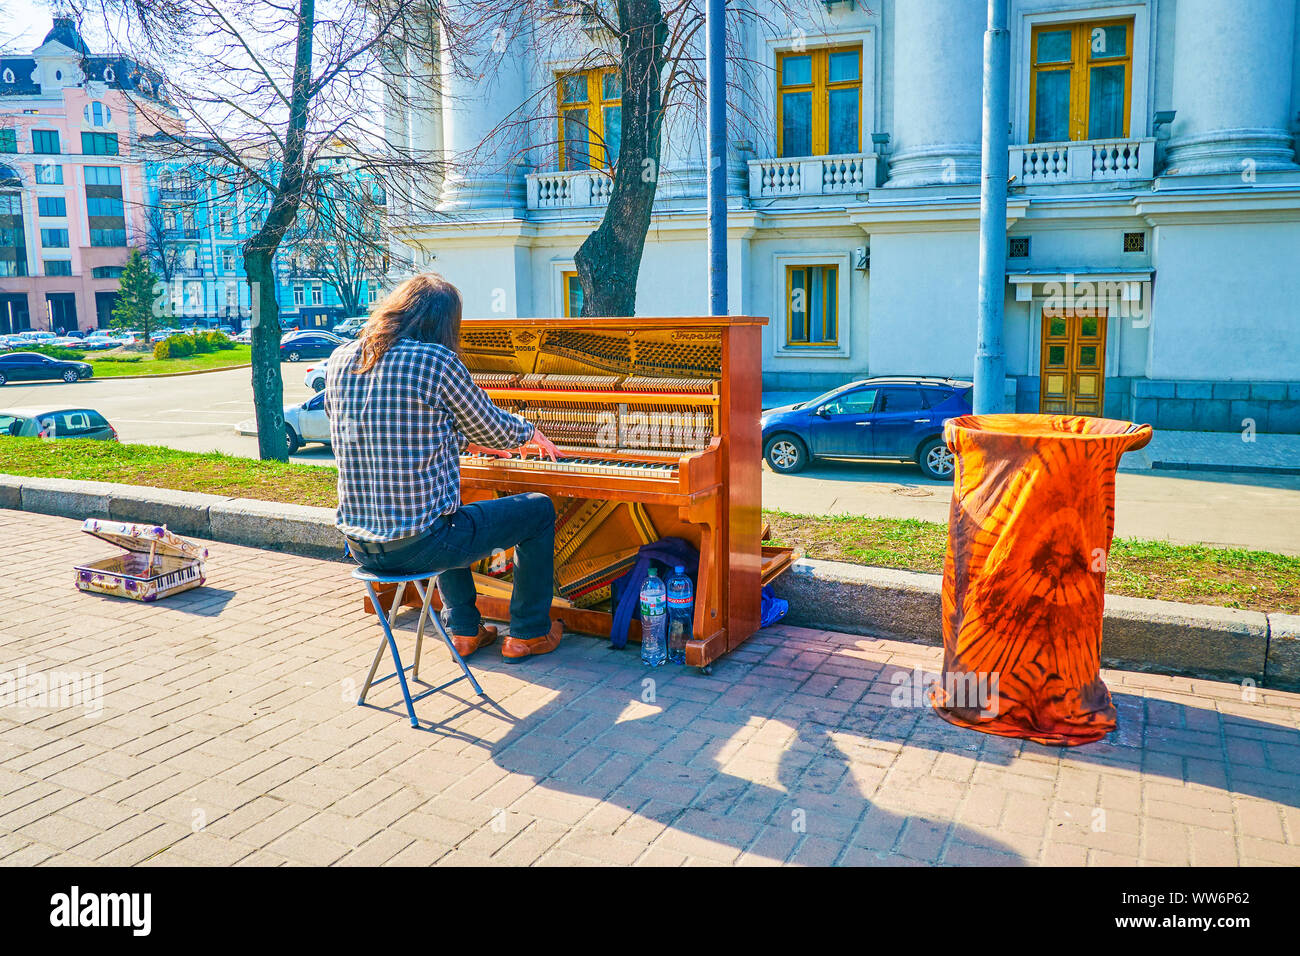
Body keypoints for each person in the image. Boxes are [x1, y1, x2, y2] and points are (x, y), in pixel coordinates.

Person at [324, 273, 564, 661]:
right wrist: (529, 432)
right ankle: (528, 633)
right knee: (537, 508)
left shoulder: (340, 358)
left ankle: (465, 630)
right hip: (420, 547)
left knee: (445, 509)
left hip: (361, 546)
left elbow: (380, 427)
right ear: (444, 322)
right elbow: (493, 427)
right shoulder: (434, 361)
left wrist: (461, 440)